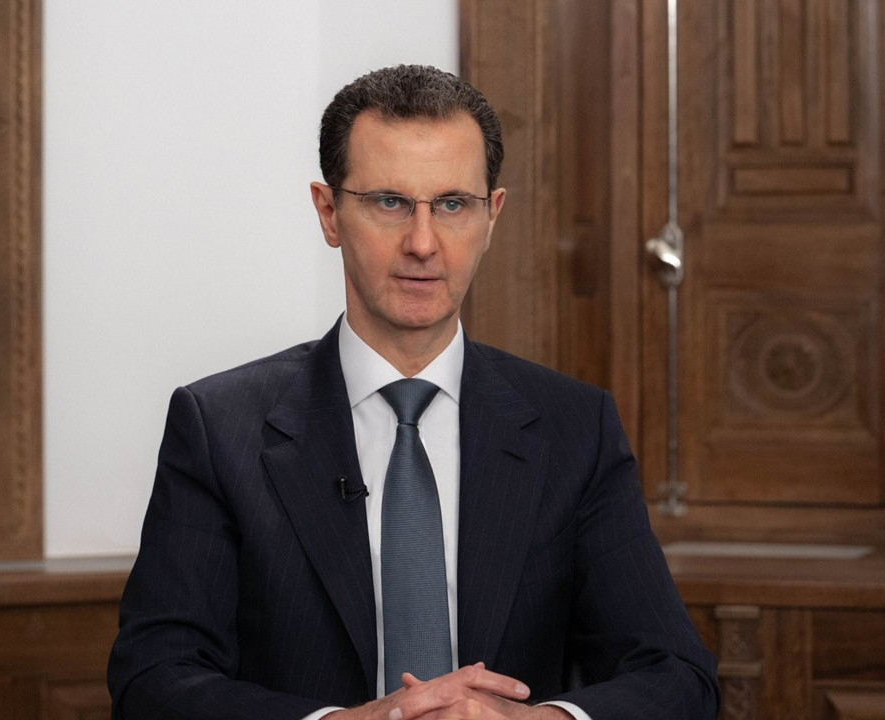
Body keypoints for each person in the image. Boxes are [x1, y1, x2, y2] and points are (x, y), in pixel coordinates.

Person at [108, 64, 719, 720]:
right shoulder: (219, 427)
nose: (423, 243)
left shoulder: (576, 427)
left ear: (492, 216)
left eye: (452, 205)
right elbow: (153, 681)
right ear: (329, 213)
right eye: (389, 202)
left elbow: (677, 675)